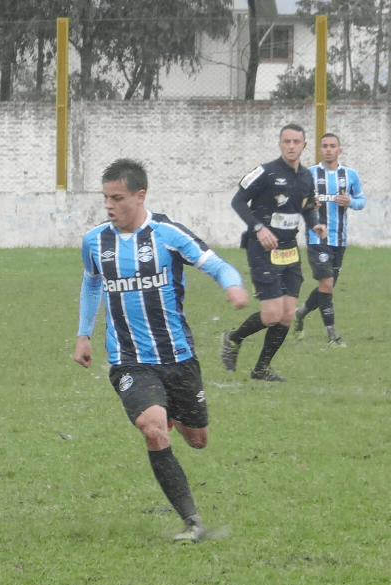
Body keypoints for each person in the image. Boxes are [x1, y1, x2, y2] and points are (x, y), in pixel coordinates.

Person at [74, 158, 248, 543]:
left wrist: (232, 286)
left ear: (140, 196)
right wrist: (83, 334)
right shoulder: (94, 242)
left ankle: (168, 414)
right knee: (152, 429)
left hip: (178, 357)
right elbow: (91, 285)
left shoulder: (167, 234)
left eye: (117, 198)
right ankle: (192, 522)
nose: (109, 206)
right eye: (105, 198)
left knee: (197, 439)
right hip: (129, 359)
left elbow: (216, 264)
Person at [220, 123, 327, 382]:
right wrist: (258, 228)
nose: (291, 146)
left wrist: (315, 223)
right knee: (271, 315)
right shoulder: (266, 172)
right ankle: (233, 339)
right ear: (280, 144)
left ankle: (261, 369)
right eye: (286, 141)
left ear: (303, 145)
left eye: (296, 142)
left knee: (288, 314)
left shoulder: (306, 177)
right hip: (262, 248)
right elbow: (237, 201)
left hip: (289, 250)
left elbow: (308, 206)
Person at [292, 133, 366, 346]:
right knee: (326, 284)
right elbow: (296, 201)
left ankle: (300, 313)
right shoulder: (309, 174)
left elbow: (362, 201)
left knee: (328, 287)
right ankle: (333, 336)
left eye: (332, 146)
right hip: (317, 239)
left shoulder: (349, 174)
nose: (328, 150)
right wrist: (308, 204)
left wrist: (350, 201)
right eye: (324, 146)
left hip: (340, 240)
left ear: (339, 150)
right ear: (319, 150)